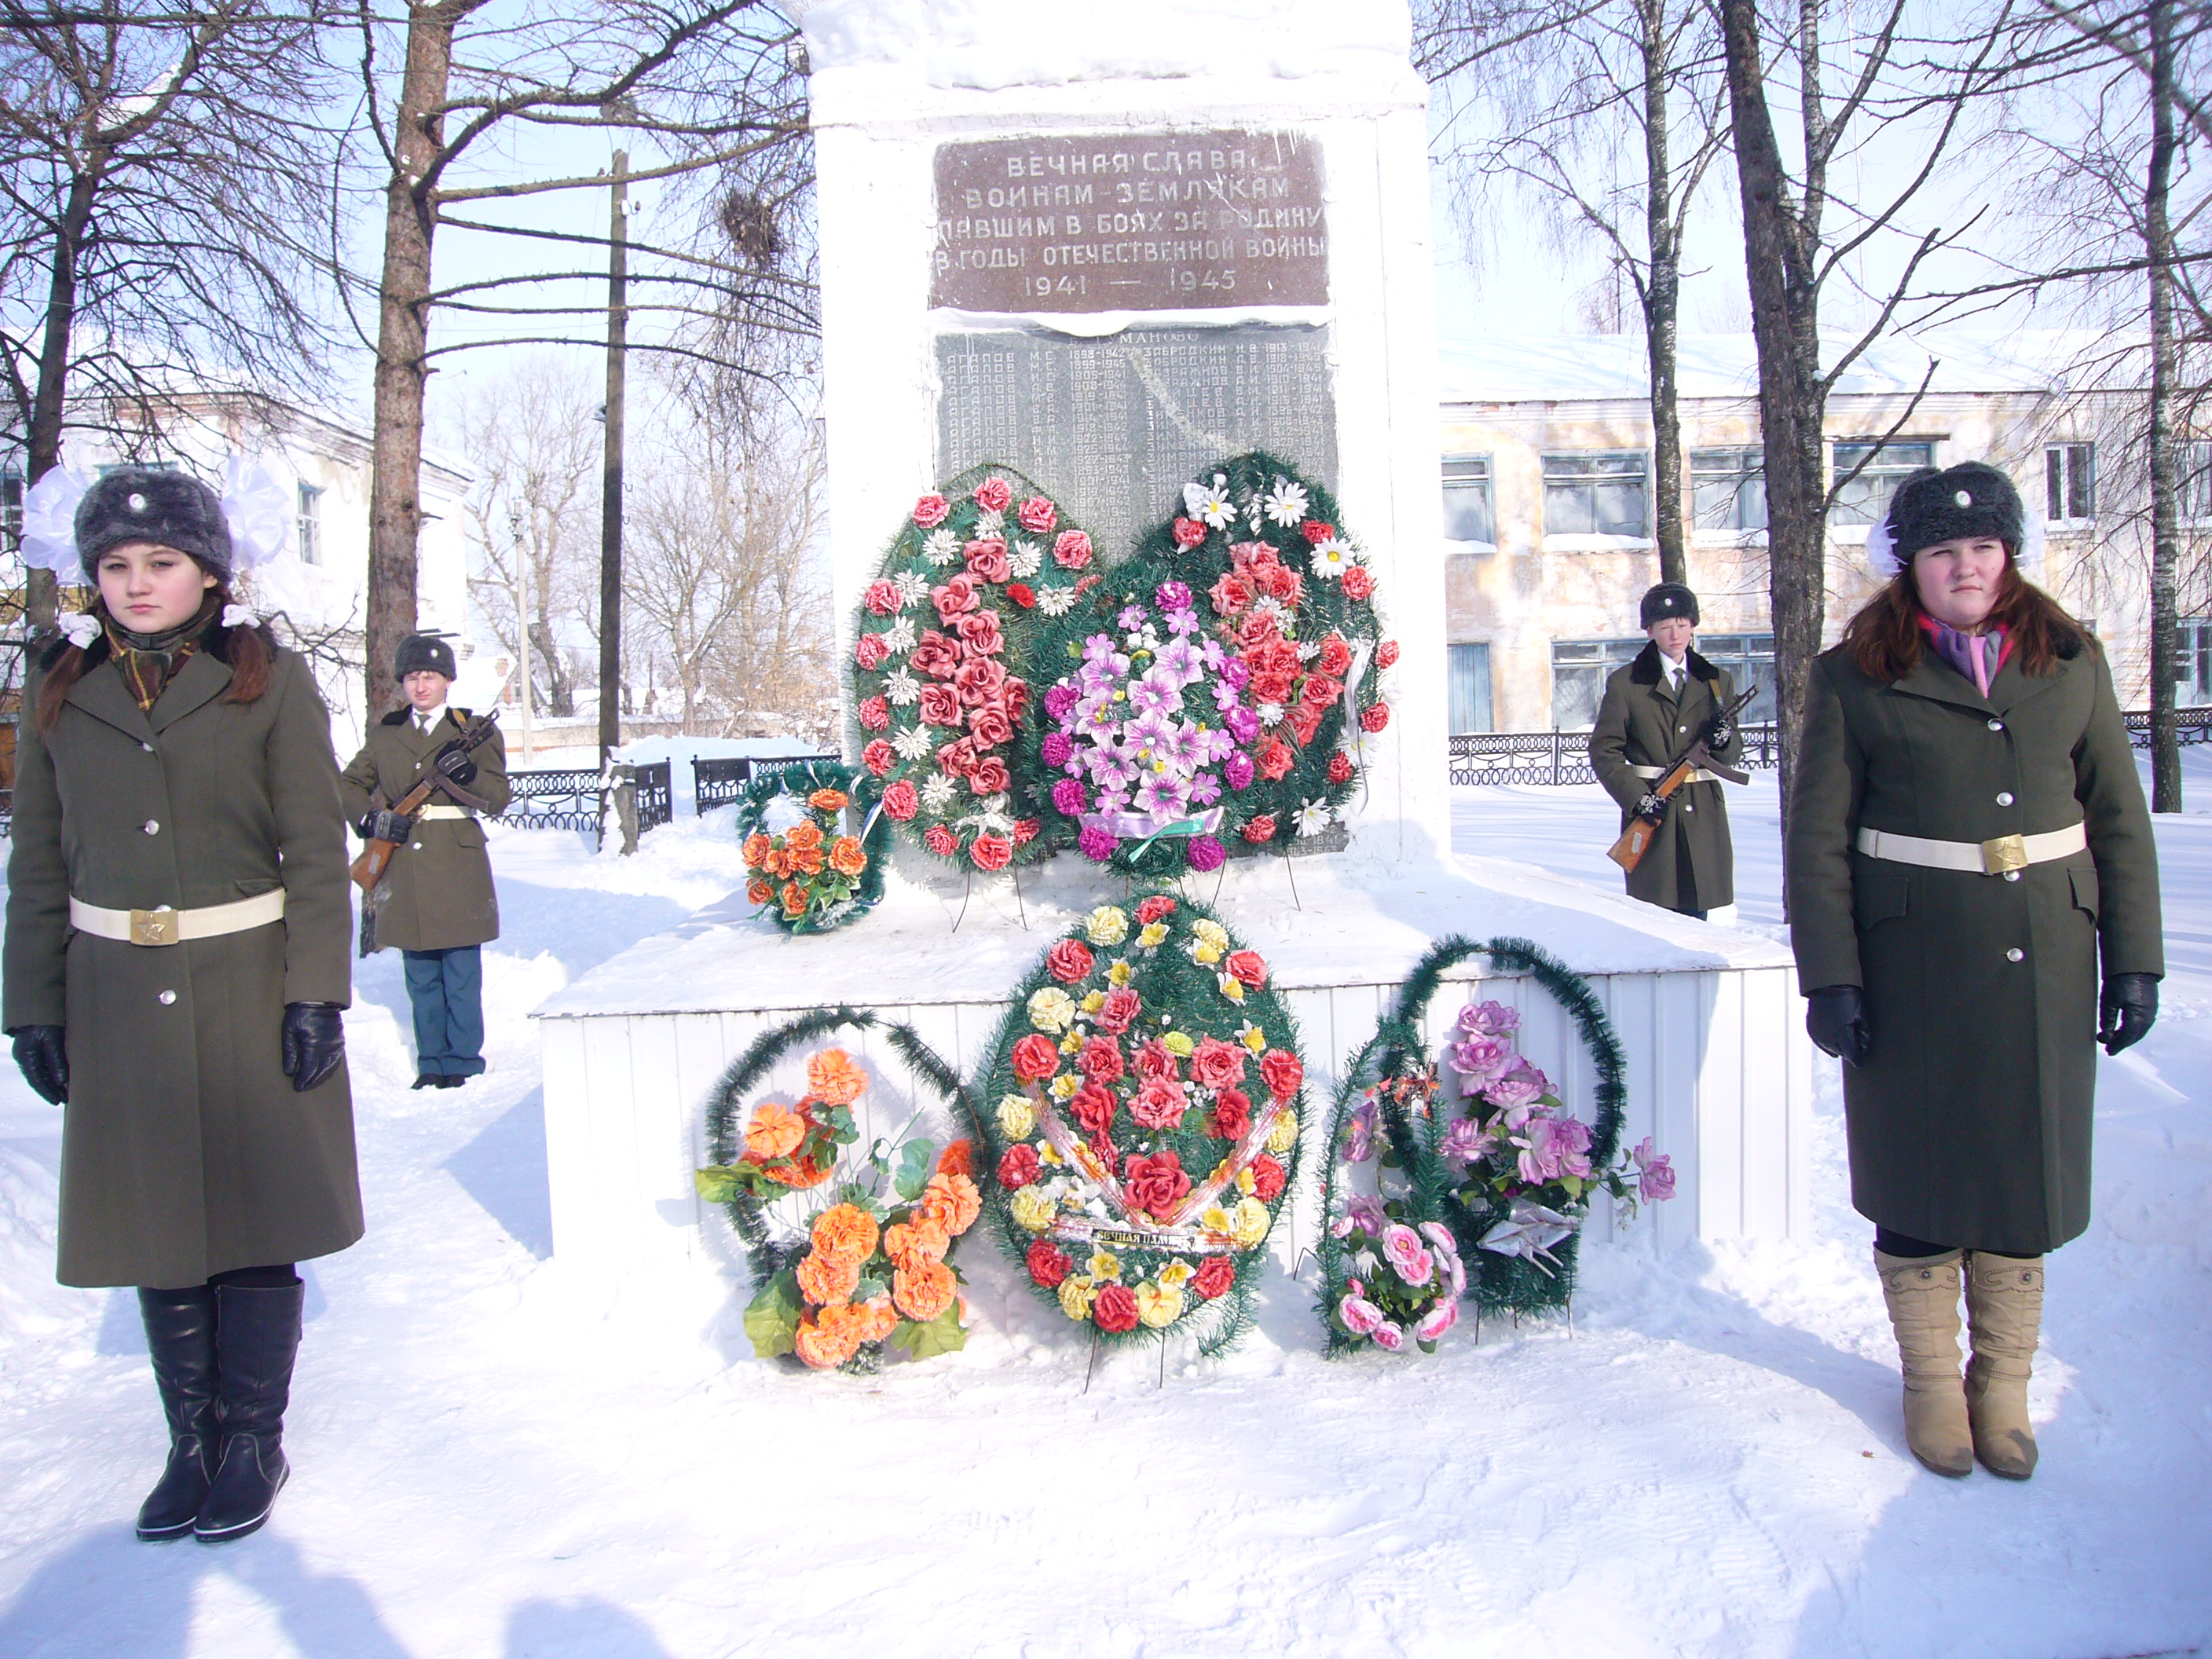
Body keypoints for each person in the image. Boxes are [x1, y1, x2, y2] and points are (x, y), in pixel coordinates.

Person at [1785, 460, 2163, 1481]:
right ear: (1909, 566)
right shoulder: (1854, 674)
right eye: (1944, 551)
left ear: (2011, 555)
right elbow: (1817, 836)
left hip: (2043, 957)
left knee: (2018, 1179)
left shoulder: (2071, 660)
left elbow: (2118, 821)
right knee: (1918, 1178)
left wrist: (2134, 964)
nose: (1966, 566)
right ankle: (1929, 1383)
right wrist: (1832, 974)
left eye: (1983, 547)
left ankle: (2002, 1388)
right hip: (1910, 962)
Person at [4, 466, 361, 1542]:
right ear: (89, 578)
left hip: (249, 982)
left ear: (210, 572)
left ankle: (253, 1439)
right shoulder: (62, 689)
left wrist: (316, 997)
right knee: (160, 1225)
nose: (137, 582)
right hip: (118, 997)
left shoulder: (269, 681)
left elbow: (312, 851)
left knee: (256, 1216)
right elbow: (36, 864)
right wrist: (33, 1005)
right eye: (116, 565)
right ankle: (190, 1442)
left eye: (161, 563)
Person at [340, 635, 509, 1089]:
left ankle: (463, 1060)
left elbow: (498, 799)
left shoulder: (474, 730)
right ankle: (431, 1060)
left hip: (457, 859)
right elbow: (349, 785)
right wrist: (373, 819)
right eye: (412, 677)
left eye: (429, 676)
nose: (420, 685)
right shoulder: (386, 734)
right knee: (420, 974)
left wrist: (467, 773)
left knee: (459, 970)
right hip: (404, 861)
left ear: (448, 681)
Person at [1589, 582, 1745, 919]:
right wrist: (1638, 798)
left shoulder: (1717, 681)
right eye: (1665, 626)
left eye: (1682, 624)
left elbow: (1733, 755)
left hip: (1704, 813)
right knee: (1654, 914)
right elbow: (1604, 752)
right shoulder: (1626, 684)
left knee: (1697, 912)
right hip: (1653, 809)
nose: (1675, 635)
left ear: (1693, 626)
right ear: (1650, 631)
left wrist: (1723, 741)